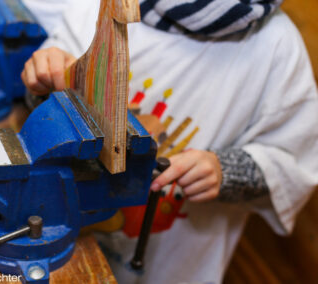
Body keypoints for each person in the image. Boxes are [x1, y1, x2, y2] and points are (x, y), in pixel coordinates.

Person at [21, 0, 318, 283]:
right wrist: (47, 78)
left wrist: (225, 170)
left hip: (174, 260)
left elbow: (293, 161)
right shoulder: (106, 6)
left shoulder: (277, 46)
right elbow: (48, 88)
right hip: (68, 235)